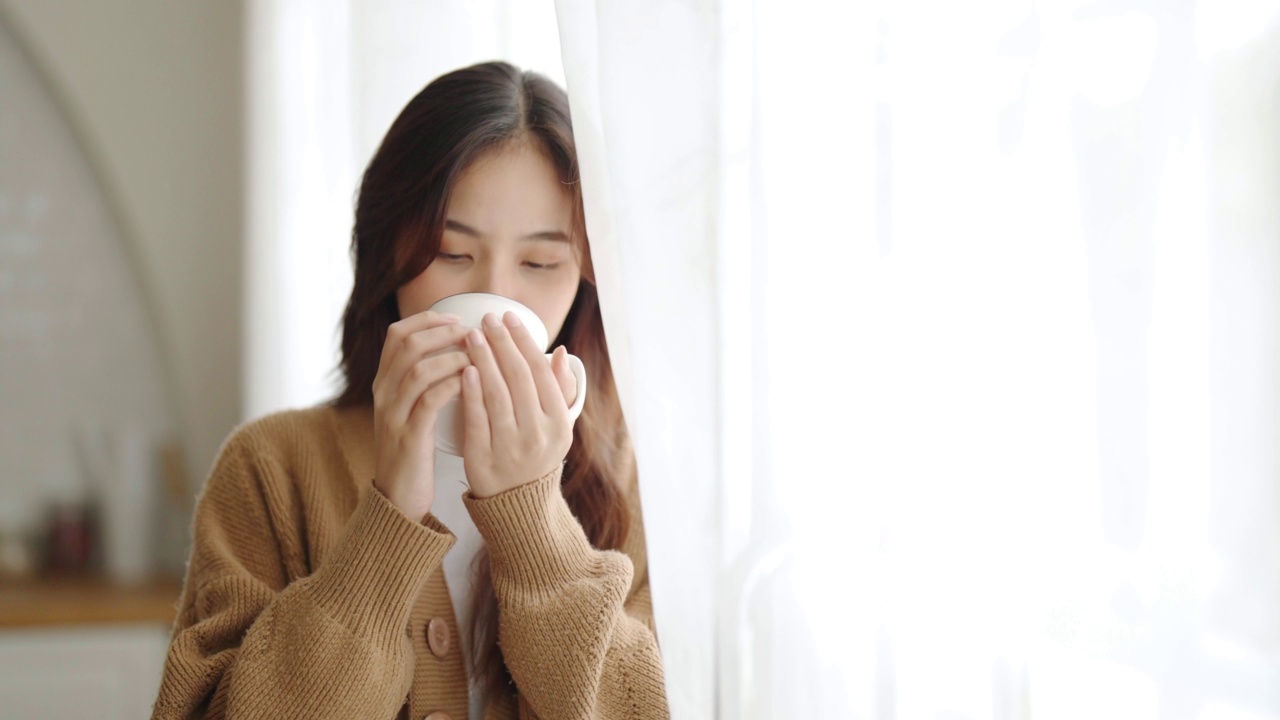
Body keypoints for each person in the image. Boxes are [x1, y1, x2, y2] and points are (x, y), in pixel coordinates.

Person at [150, 61, 669, 720]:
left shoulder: (633, 477)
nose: (498, 299)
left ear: (586, 278)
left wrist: (533, 519)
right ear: (388, 251)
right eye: (453, 254)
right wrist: (386, 519)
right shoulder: (270, 469)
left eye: (540, 263)